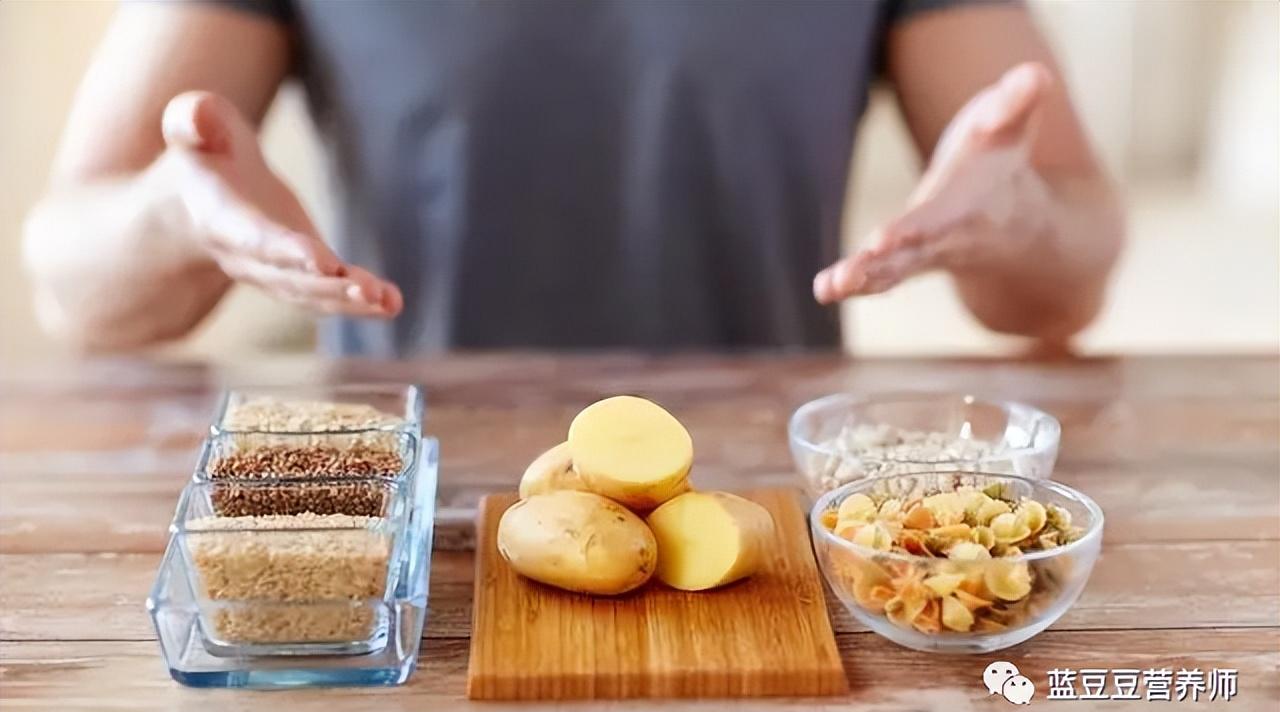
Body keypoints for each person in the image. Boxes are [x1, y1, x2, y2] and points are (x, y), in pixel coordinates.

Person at [22, 0, 1123, 354]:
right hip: (408, 540)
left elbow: (1063, 277)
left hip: (768, 535)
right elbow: (71, 286)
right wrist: (174, 214)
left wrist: (1016, 216)